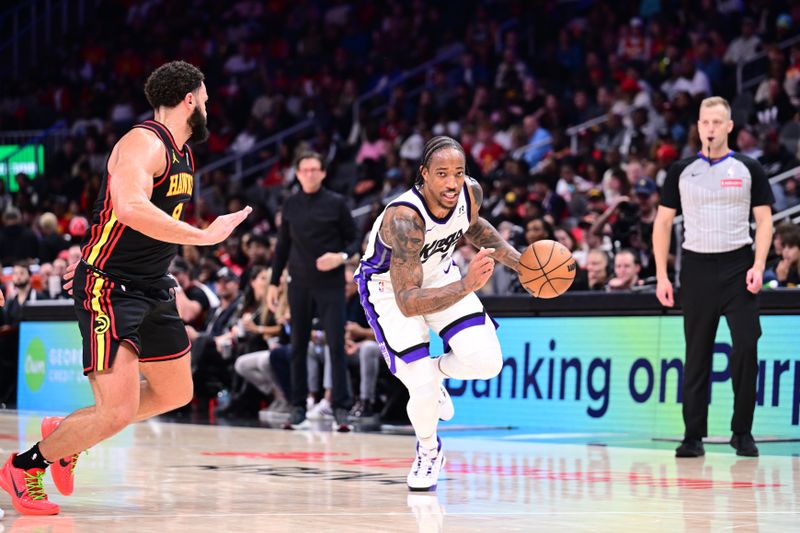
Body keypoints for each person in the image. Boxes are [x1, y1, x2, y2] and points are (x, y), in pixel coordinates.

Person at [0, 61, 251, 515]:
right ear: (190, 99)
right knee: (115, 410)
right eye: (207, 97)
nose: (210, 106)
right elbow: (130, 207)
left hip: (153, 285)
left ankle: (69, 434)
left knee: (177, 393)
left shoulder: (184, 154)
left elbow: (132, 224)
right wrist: (203, 236)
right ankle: (25, 465)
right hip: (109, 288)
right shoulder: (142, 142)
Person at [355, 136, 521, 491]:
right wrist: (467, 286)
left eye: (458, 173)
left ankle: (435, 370)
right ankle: (429, 450)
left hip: (439, 272)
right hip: (390, 291)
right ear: (424, 174)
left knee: (488, 362)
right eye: (442, 173)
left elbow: (474, 226)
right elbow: (408, 302)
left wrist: (520, 264)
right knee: (423, 390)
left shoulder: (468, 193)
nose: (451, 182)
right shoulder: (404, 219)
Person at [652, 96, 774, 459]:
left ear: (729, 126)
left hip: (739, 267)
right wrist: (661, 275)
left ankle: (742, 431)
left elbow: (765, 220)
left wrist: (758, 264)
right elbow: (661, 223)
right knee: (697, 354)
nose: (710, 128)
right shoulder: (681, 170)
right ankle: (693, 436)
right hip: (697, 267)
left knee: (747, 346)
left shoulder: (749, 167)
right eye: (705, 122)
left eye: (718, 122)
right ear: (699, 126)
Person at [267, 151, 360, 431]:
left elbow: (355, 239)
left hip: (330, 283)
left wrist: (341, 257)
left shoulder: (336, 203)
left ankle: (341, 407)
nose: (309, 174)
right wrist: (274, 282)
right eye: (304, 169)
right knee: (297, 346)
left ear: (322, 173)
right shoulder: (291, 205)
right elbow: (282, 246)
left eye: (314, 169)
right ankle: (298, 406)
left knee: (335, 344)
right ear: (297, 174)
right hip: (298, 282)